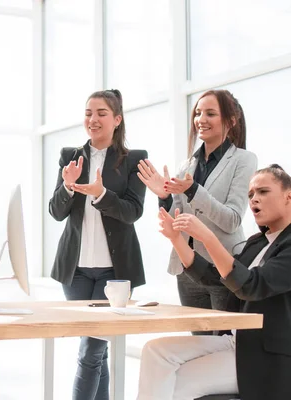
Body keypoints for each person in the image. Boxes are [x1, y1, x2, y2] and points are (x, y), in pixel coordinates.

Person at [137, 164, 291, 400]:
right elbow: (221, 280)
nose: (253, 200)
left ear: (288, 197)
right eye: (250, 194)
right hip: (234, 342)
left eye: (263, 192)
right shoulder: (256, 243)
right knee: (155, 352)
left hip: (265, 356)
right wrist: (176, 239)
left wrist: (207, 236)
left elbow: (251, 285)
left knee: (174, 382)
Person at [49, 89, 147, 400]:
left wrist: (101, 194)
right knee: (97, 353)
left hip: (114, 274)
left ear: (117, 120)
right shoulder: (70, 156)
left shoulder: (134, 159)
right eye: (89, 112)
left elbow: (133, 211)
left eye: (102, 113)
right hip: (75, 272)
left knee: (90, 352)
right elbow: (56, 211)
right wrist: (68, 185)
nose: (93, 119)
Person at [138, 90, 257, 328]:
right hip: (188, 270)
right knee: (197, 349)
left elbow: (232, 219)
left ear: (231, 120)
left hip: (224, 269)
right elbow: (177, 222)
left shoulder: (244, 160)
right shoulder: (187, 165)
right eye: (198, 113)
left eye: (210, 113)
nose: (201, 119)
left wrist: (194, 190)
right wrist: (164, 197)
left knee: (221, 349)